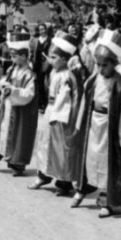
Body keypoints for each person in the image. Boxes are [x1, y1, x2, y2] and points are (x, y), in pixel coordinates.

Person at [70, 29, 121, 218]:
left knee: (108, 162)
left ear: (114, 64)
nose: (100, 68)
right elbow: (85, 100)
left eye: (104, 65)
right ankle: (83, 188)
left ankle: (107, 199)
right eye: (97, 64)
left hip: (110, 127)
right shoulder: (93, 80)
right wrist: (79, 123)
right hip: (93, 125)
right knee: (89, 157)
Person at [28, 33, 79, 195]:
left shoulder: (66, 76)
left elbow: (65, 99)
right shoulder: (53, 72)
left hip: (60, 114)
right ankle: (43, 175)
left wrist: (57, 115)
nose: (51, 60)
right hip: (50, 110)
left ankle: (63, 182)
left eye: (54, 57)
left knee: (60, 147)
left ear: (64, 59)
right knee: (44, 144)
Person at [0, 32, 38, 176]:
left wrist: (13, 90)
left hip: (20, 109)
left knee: (19, 135)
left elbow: (29, 93)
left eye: (15, 55)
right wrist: (4, 89)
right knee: (1, 132)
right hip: (8, 106)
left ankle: (17, 164)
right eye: (12, 55)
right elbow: (3, 81)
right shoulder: (12, 69)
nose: (12, 58)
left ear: (24, 56)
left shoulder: (29, 74)